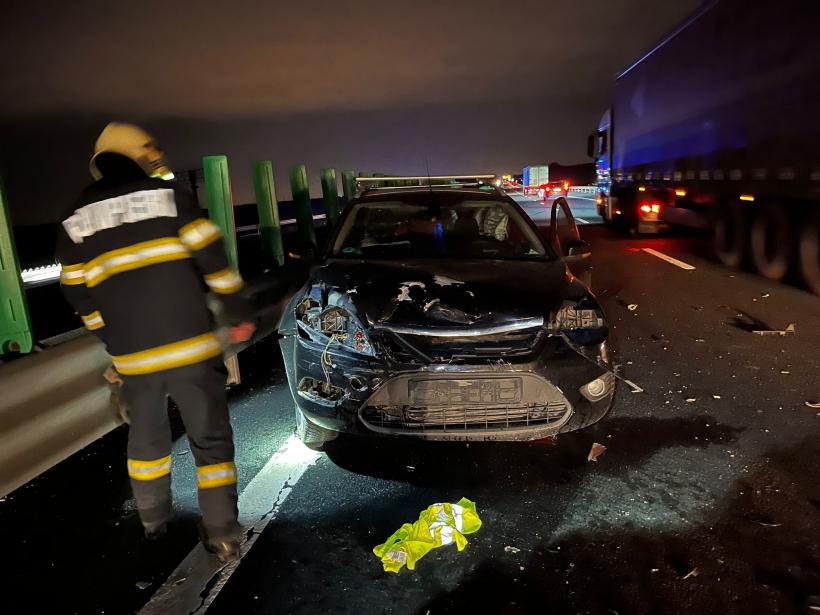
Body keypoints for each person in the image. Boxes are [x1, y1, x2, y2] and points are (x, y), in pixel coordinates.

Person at [56, 122, 256, 563]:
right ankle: (222, 531)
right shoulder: (168, 198)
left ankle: (153, 521)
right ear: (138, 155)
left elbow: (75, 290)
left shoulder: (73, 221)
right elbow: (213, 257)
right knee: (210, 440)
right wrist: (238, 312)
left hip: (134, 355)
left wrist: (110, 335)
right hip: (191, 347)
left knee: (146, 437)